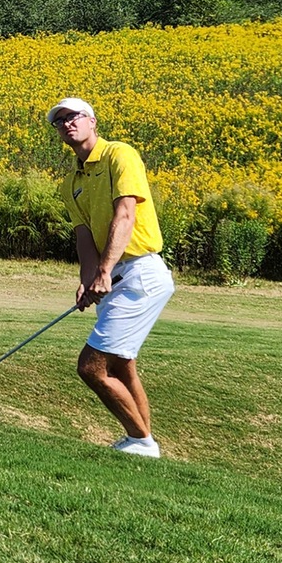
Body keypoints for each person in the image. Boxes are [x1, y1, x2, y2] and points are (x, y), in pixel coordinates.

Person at [50, 97, 176, 458]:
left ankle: (140, 441)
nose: (67, 124)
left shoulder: (120, 155)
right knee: (121, 364)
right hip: (116, 274)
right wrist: (87, 279)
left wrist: (104, 272)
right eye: (59, 122)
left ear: (91, 121)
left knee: (91, 367)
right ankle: (143, 441)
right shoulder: (70, 183)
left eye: (73, 116)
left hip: (140, 272)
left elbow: (125, 216)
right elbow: (85, 237)